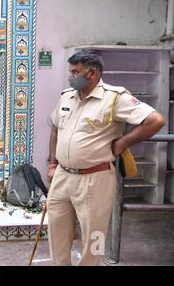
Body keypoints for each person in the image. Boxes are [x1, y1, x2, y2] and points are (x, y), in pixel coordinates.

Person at [46, 50, 165, 266]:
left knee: (95, 237)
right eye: (70, 72)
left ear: (91, 73)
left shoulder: (114, 98)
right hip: (62, 176)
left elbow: (155, 121)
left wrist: (121, 144)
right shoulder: (67, 96)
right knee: (56, 230)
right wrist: (52, 164)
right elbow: (55, 129)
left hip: (95, 178)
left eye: (75, 72)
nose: (71, 77)